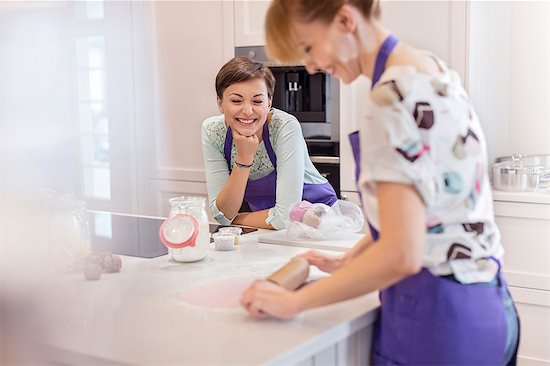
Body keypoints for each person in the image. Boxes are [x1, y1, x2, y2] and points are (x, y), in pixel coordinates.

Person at [240, 1, 520, 365]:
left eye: (308, 48)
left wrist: (294, 302)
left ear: (344, 19)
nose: (310, 66)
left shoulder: (389, 99)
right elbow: (431, 206)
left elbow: (402, 255)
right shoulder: (432, 69)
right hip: (488, 304)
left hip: (438, 318)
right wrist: (352, 259)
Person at [201, 57, 337, 230]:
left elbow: (284, 218)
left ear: (269, 102)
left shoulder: (284, 126)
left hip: (321, 224)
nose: (248, 111)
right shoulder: (213, 131)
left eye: (257, 101)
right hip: (268, 229)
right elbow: (222, 214)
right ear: (220, 103)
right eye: (236, 100)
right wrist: (244, 158)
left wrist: (235, 220)